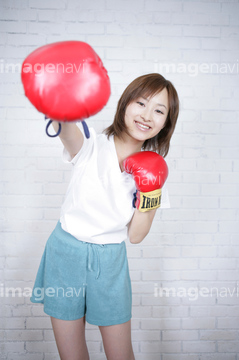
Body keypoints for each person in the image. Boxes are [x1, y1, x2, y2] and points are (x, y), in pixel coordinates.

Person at [30, 73, 179, 360]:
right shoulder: (91, 144)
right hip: (65, 253)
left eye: (159, 111)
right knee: (72, 356)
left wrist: (149, 187)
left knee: (121, 355)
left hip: (110, 262)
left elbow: (136, 236)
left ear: (165, 123)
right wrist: (59, 102)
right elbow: (66, 130)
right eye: (141, 103)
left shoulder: (154, 170)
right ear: (125, 104)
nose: (147, 115)